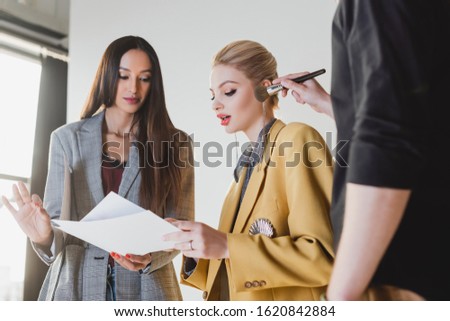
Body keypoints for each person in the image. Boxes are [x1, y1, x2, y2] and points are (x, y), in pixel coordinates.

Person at [275, 0, 450, 300]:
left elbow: (389, 140)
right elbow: (419, 116)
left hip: (405, 272)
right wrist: (333, 106)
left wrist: (340, 295)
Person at [1, 35, 194, 300]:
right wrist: (43, 236)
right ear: (107, 76)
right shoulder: (66, 139)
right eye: (124, 76)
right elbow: (57, 230)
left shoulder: (176, 143)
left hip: (147, 289)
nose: (133, 88)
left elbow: (181, 226)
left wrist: (150, 256)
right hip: (76, 286)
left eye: (144, 78)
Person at [163, 40, 334, 300]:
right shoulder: (244, 170)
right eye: (213, 95)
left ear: (265, 89)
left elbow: (322, 257)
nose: (215, 105)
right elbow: (235, 265)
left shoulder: (296, 139)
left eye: (228, 91)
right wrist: (194, 244)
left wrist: (225, 245)